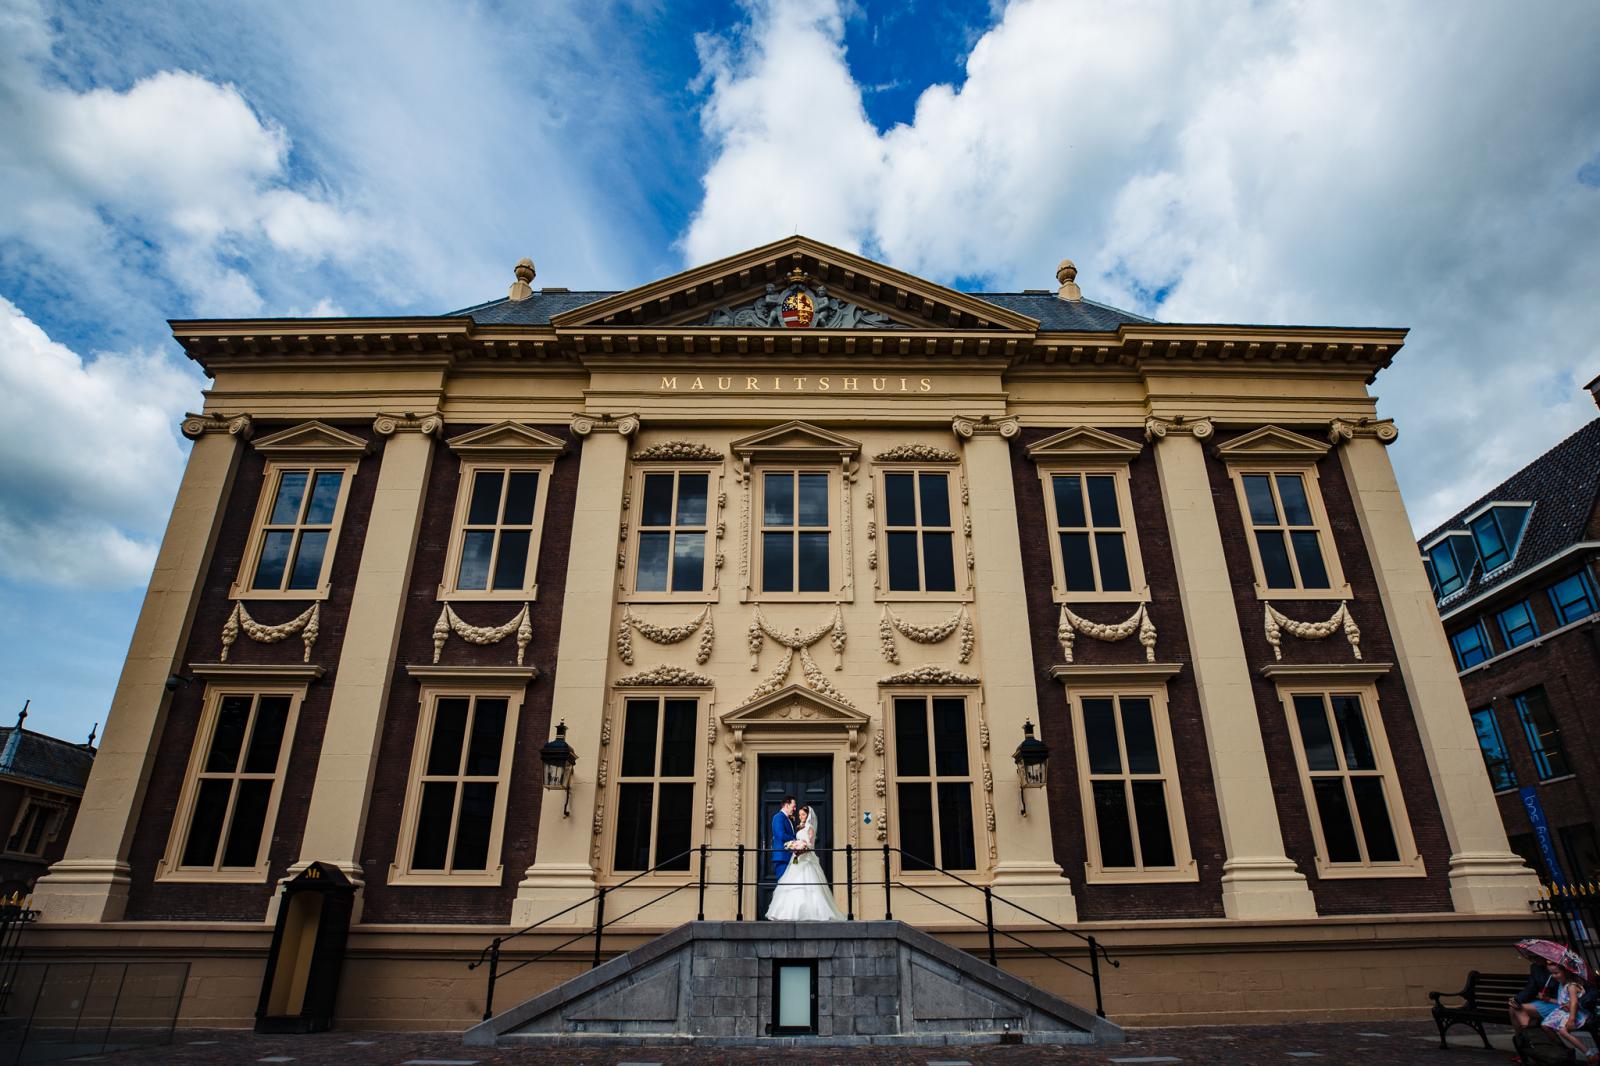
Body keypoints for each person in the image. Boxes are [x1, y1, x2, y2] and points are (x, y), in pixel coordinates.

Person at [765, 805, 847, 922]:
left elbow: (810, 844)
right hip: (796, 860)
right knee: (791, 884)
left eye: (803, 814)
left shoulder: (810, 828)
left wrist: (802, 848)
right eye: (799, 815)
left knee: (809, 884)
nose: (801, 817)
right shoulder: (799, 827)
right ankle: (787, 913)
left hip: (806, 859)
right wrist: (794, 846)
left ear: (808, 815)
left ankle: (813, 913)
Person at [1541, 962, 1595, 1063]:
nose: (1554, 976)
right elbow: (1561, 1002)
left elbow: (1574, 1003)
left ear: (1565, 971)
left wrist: (1571, 1019)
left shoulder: (1571, 986)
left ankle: (1590, 1054)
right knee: (1544, 1025)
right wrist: (1547, 999)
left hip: (1574, 1013)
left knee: (1563, 1031)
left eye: (1556, 973)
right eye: (1551, 973)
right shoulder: (1562, 985)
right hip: (1563, 1011)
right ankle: (1563, 1048)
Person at [1509, 959, 1562, 1030]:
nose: (1534, 959)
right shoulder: (1535, 967)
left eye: (1536, 957)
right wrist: (1517, 1000)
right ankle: (1521, 1036)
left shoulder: (1557, 967)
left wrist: (1547, 996)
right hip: (1544, 1000)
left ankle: (1527, 1036)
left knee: (1520, 1009)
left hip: (1556, 1002)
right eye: (1531, 956)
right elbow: (1531, 987)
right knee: (1513, 1007)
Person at [770, 796, 798, 885]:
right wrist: (795, 839)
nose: (795, 809)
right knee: (783, 883)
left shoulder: (787, 818)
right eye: (793, 806)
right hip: (782, 856)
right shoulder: (779, 817)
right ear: (786, 805)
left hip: (788, 856)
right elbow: (780, 835)